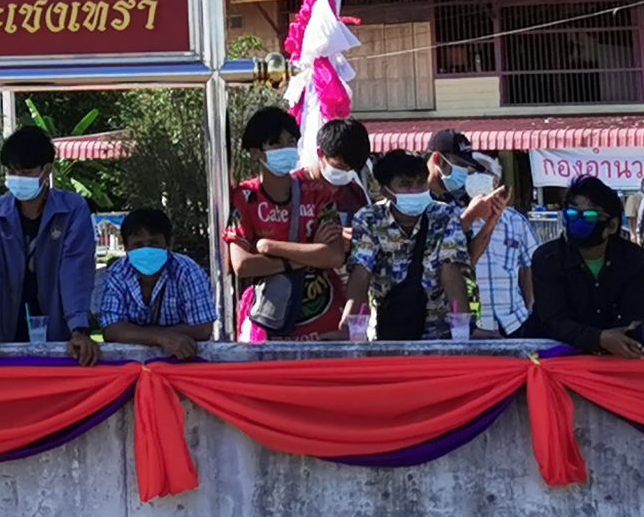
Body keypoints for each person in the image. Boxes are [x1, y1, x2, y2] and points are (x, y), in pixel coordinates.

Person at [0, 126, 99, 366]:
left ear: (46, 170)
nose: (17, 178)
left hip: (58, 325)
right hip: (5, 326)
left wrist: (79, 328)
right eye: (12, 171)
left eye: (26, 172)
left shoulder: (73, 209)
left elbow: (75, 270)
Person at [224, 106, 349, 342]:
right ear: (255, 151)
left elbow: (334, 257)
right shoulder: (245, 198)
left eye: (291, 141)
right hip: (268, 326)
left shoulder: (318, 193)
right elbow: (243, 265)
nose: (287, 149)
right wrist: (309, 253)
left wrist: (271, 248)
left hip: (325, 325)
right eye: (276, 144)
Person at [345, 149, 471, 341]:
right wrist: (351, 324)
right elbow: (361, 272)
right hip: (388, 331)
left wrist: (464, 332)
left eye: (420, 184)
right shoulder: (368, 219)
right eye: (405, 185)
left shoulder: (445, 216)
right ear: (385, 190)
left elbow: (450, 272)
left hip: (439, 334)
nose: (415, 191)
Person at [526, 175, 644, 357]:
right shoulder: (547, 258)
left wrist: (639, 337)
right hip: (550, 356)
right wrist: (599, 338)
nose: (579, 221)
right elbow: (553, 321)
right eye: (572, 214)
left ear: (612, 225)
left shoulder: (634, 259)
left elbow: (637, 315)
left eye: (590, 216)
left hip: (613, 358)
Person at [93, 206, 217, 359]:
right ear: (126, 248)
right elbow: (111, 329)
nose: (146, 250)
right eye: (138, 245)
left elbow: (203, 328)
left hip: (185, 361)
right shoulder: (118, 273)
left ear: (168, 244)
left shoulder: (188, 272)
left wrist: (138, 334)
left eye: (154, 243)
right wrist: (161, 338)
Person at [452, 150, 537, 338]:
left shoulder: (516, 221)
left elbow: (528, 264)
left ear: (496, 181)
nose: (475, 176)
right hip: (472, 326)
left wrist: (530, 307)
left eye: (483, 172)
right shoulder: (455, 220)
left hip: (514, 321)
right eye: (471, 173)